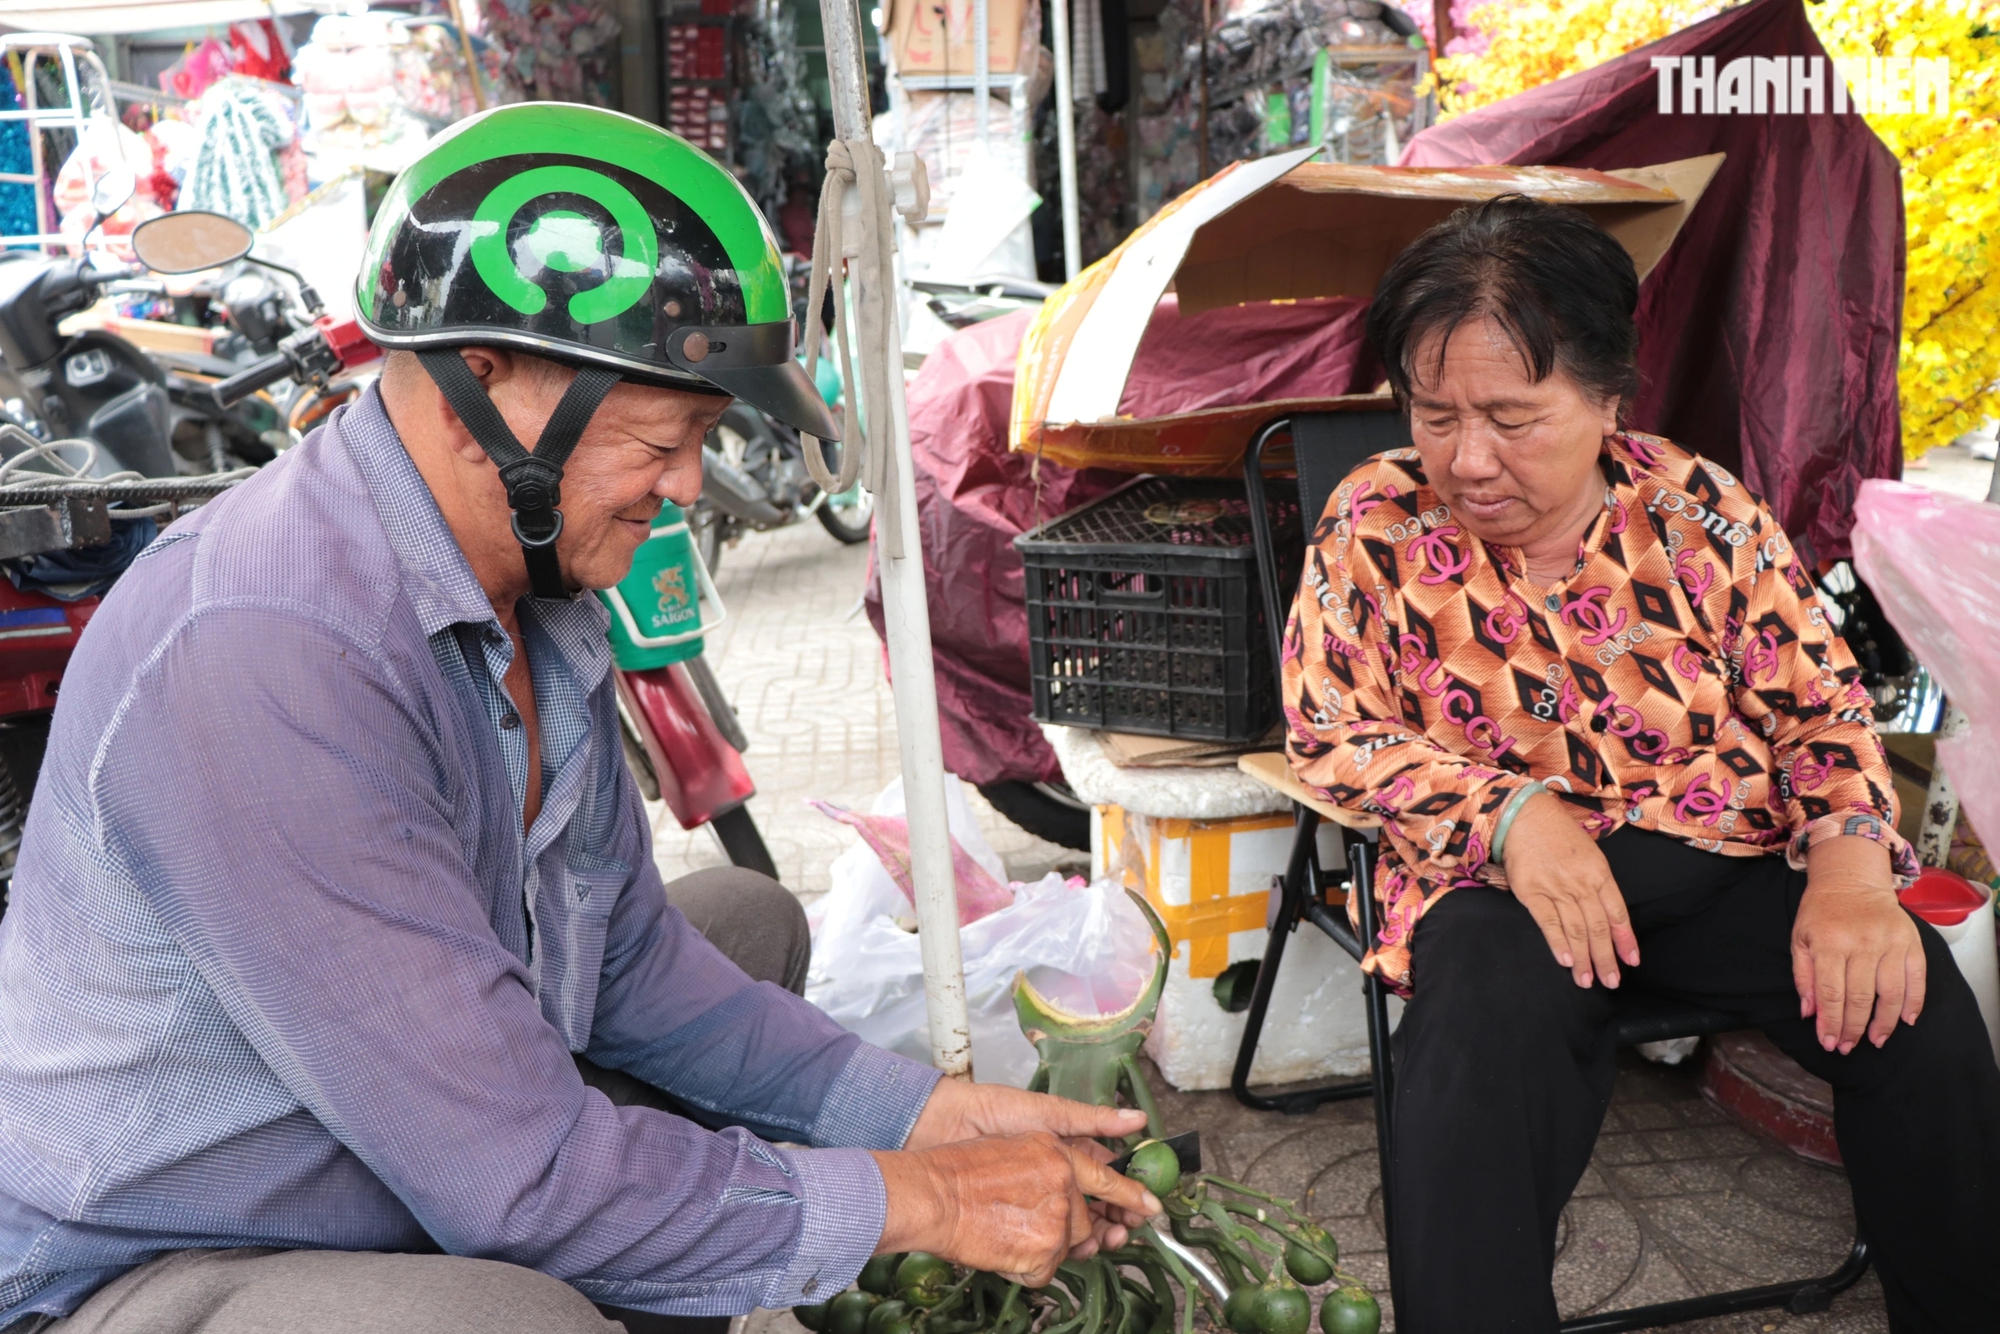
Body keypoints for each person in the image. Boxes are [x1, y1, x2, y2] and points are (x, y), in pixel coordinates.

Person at [0, 103, 1157, 1334]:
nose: (687, 487)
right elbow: (520, 1178)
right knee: (517, 1319)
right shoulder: (265, 650)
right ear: (474, 392)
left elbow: (623, 962)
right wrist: (918, 1199)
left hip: (398, 1149)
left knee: (745, 920)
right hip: (158, 1261)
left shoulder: (533, 591)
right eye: (663, 439)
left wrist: (919, 1114)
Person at [1283, 194, 2000, 1333]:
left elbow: (1820, 706)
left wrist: (1853, 872)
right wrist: (1512, 813)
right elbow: (1331, 731)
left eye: (1512, 419)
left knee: (1912, 1002)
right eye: (1433, 414)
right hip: (1505, 896)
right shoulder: (1371, 523)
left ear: (1607, 397)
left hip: (1714, 859)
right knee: (1464, 1044)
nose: (1466, 459)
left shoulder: (1694, 508)